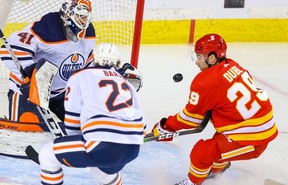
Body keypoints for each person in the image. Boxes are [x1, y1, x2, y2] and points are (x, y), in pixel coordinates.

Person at [152, 33, 278, 185]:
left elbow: (189, 120)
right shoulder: (232, 64)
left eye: (199, 57)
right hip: (256, 123)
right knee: (217, 140)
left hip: (254, 138)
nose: (196, 62)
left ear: (212, 58)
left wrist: (165, 126)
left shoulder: (205, 82)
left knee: (202, 152)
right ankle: (219, 167)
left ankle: (193, 183)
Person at [38, 43, 145, 185]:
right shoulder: (125, 82)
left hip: (102, 144)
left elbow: (72, 118)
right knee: (101, 170)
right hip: (132, 149)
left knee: (47, 154)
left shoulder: (80, 75)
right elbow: (142, 123)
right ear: (118, 63)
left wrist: (73, 140)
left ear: (94, 60)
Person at [0, 0, 95, 129]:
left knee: (85, 126)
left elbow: (88, 62)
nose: (84, 22)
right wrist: (29, 69)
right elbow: (9, 49)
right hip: (28, 92)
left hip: (62, 93)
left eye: (86, 17)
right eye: (80, 17)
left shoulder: (89, 33)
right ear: (68, 13)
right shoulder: (48, 27)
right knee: (27, 131)